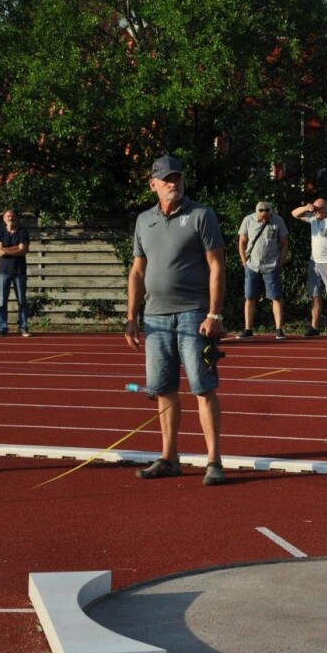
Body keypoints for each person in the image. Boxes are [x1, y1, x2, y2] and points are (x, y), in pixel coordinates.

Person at [125, 155, 228, 486]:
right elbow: (137, 271)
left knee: (203, 387)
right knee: (163, 390)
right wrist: (131, 316)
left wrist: (214, 313)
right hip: (155, 317)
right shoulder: (144, 221)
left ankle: (214, 461)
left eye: (178, 177)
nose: (174, 183)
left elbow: (217, 266)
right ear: (152, 184)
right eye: (167, 179)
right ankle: (170, 457)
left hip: (194, 315)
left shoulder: (201, 215)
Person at [291, 198, 327, 338]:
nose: (315, 211)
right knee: (315, 296)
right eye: (314, 209)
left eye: (317, 209)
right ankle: (314, 327)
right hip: (314, 263)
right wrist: (306, 208)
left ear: (325, 208)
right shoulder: (313, 219)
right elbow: (294, 214)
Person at [237, 201, 289, 340]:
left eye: (267, 211)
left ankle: (279, 329)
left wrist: (280, 262)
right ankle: (248, 329)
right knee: (249, 297)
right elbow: (242, 241)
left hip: (271, 265)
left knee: (276, 297)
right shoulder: (248, 220)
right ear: (256, 211)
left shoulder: (278, 221)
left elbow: (284, 242)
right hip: (252, 265)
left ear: (271, 211)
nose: (264, 213)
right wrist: (244, 261)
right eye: (261, 211)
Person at [0, 208, 31, 337]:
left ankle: (23, 327)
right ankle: (2, 327)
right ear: (4, 218)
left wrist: (6, 250)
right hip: (3, 271)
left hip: (19, 271)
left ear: (16, 217)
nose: (10, 218)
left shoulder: (23, 232)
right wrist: (15, 248)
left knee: (22, 301)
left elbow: (24, 250)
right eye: (8, 216)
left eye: (12, 216)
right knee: (1, 302)